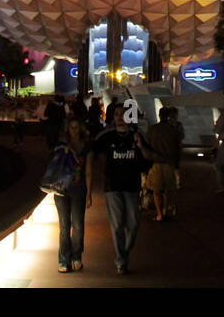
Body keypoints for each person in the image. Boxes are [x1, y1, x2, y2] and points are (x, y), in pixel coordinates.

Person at [92, 109, 152, 274]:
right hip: (113, 186)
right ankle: (121, 261)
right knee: (117, 224)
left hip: (132, 186)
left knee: (133, 224)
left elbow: (149, 157)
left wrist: (140, 146)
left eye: (123, 115)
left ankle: (123, 254)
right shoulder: (106, 136)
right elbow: (91, 151)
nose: (120, 118)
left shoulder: (138, 135)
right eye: (117, 114)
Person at [55, 118, 94, 273]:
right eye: (71, 127)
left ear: (81, 128)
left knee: (78, 225)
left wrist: (89, 193)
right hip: (61, 189)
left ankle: (76, 257)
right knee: (65, 225)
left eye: (76, 127)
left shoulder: (87, 147)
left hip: (78, 189)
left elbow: (89, 170)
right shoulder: (61, 146)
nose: (74, 130)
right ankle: (65, 259)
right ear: (67, 129)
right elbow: (54, 166)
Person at [145, 107, 183, 221]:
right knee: (168, 189)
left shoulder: (153, 129)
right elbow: (178, 148)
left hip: (156, 163)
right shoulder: (173, 130)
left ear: (159, 115)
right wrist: (177, 164)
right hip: (169, 163)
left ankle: (159, 213)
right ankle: (166, 209)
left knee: (156, 191)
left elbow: (147, 145)